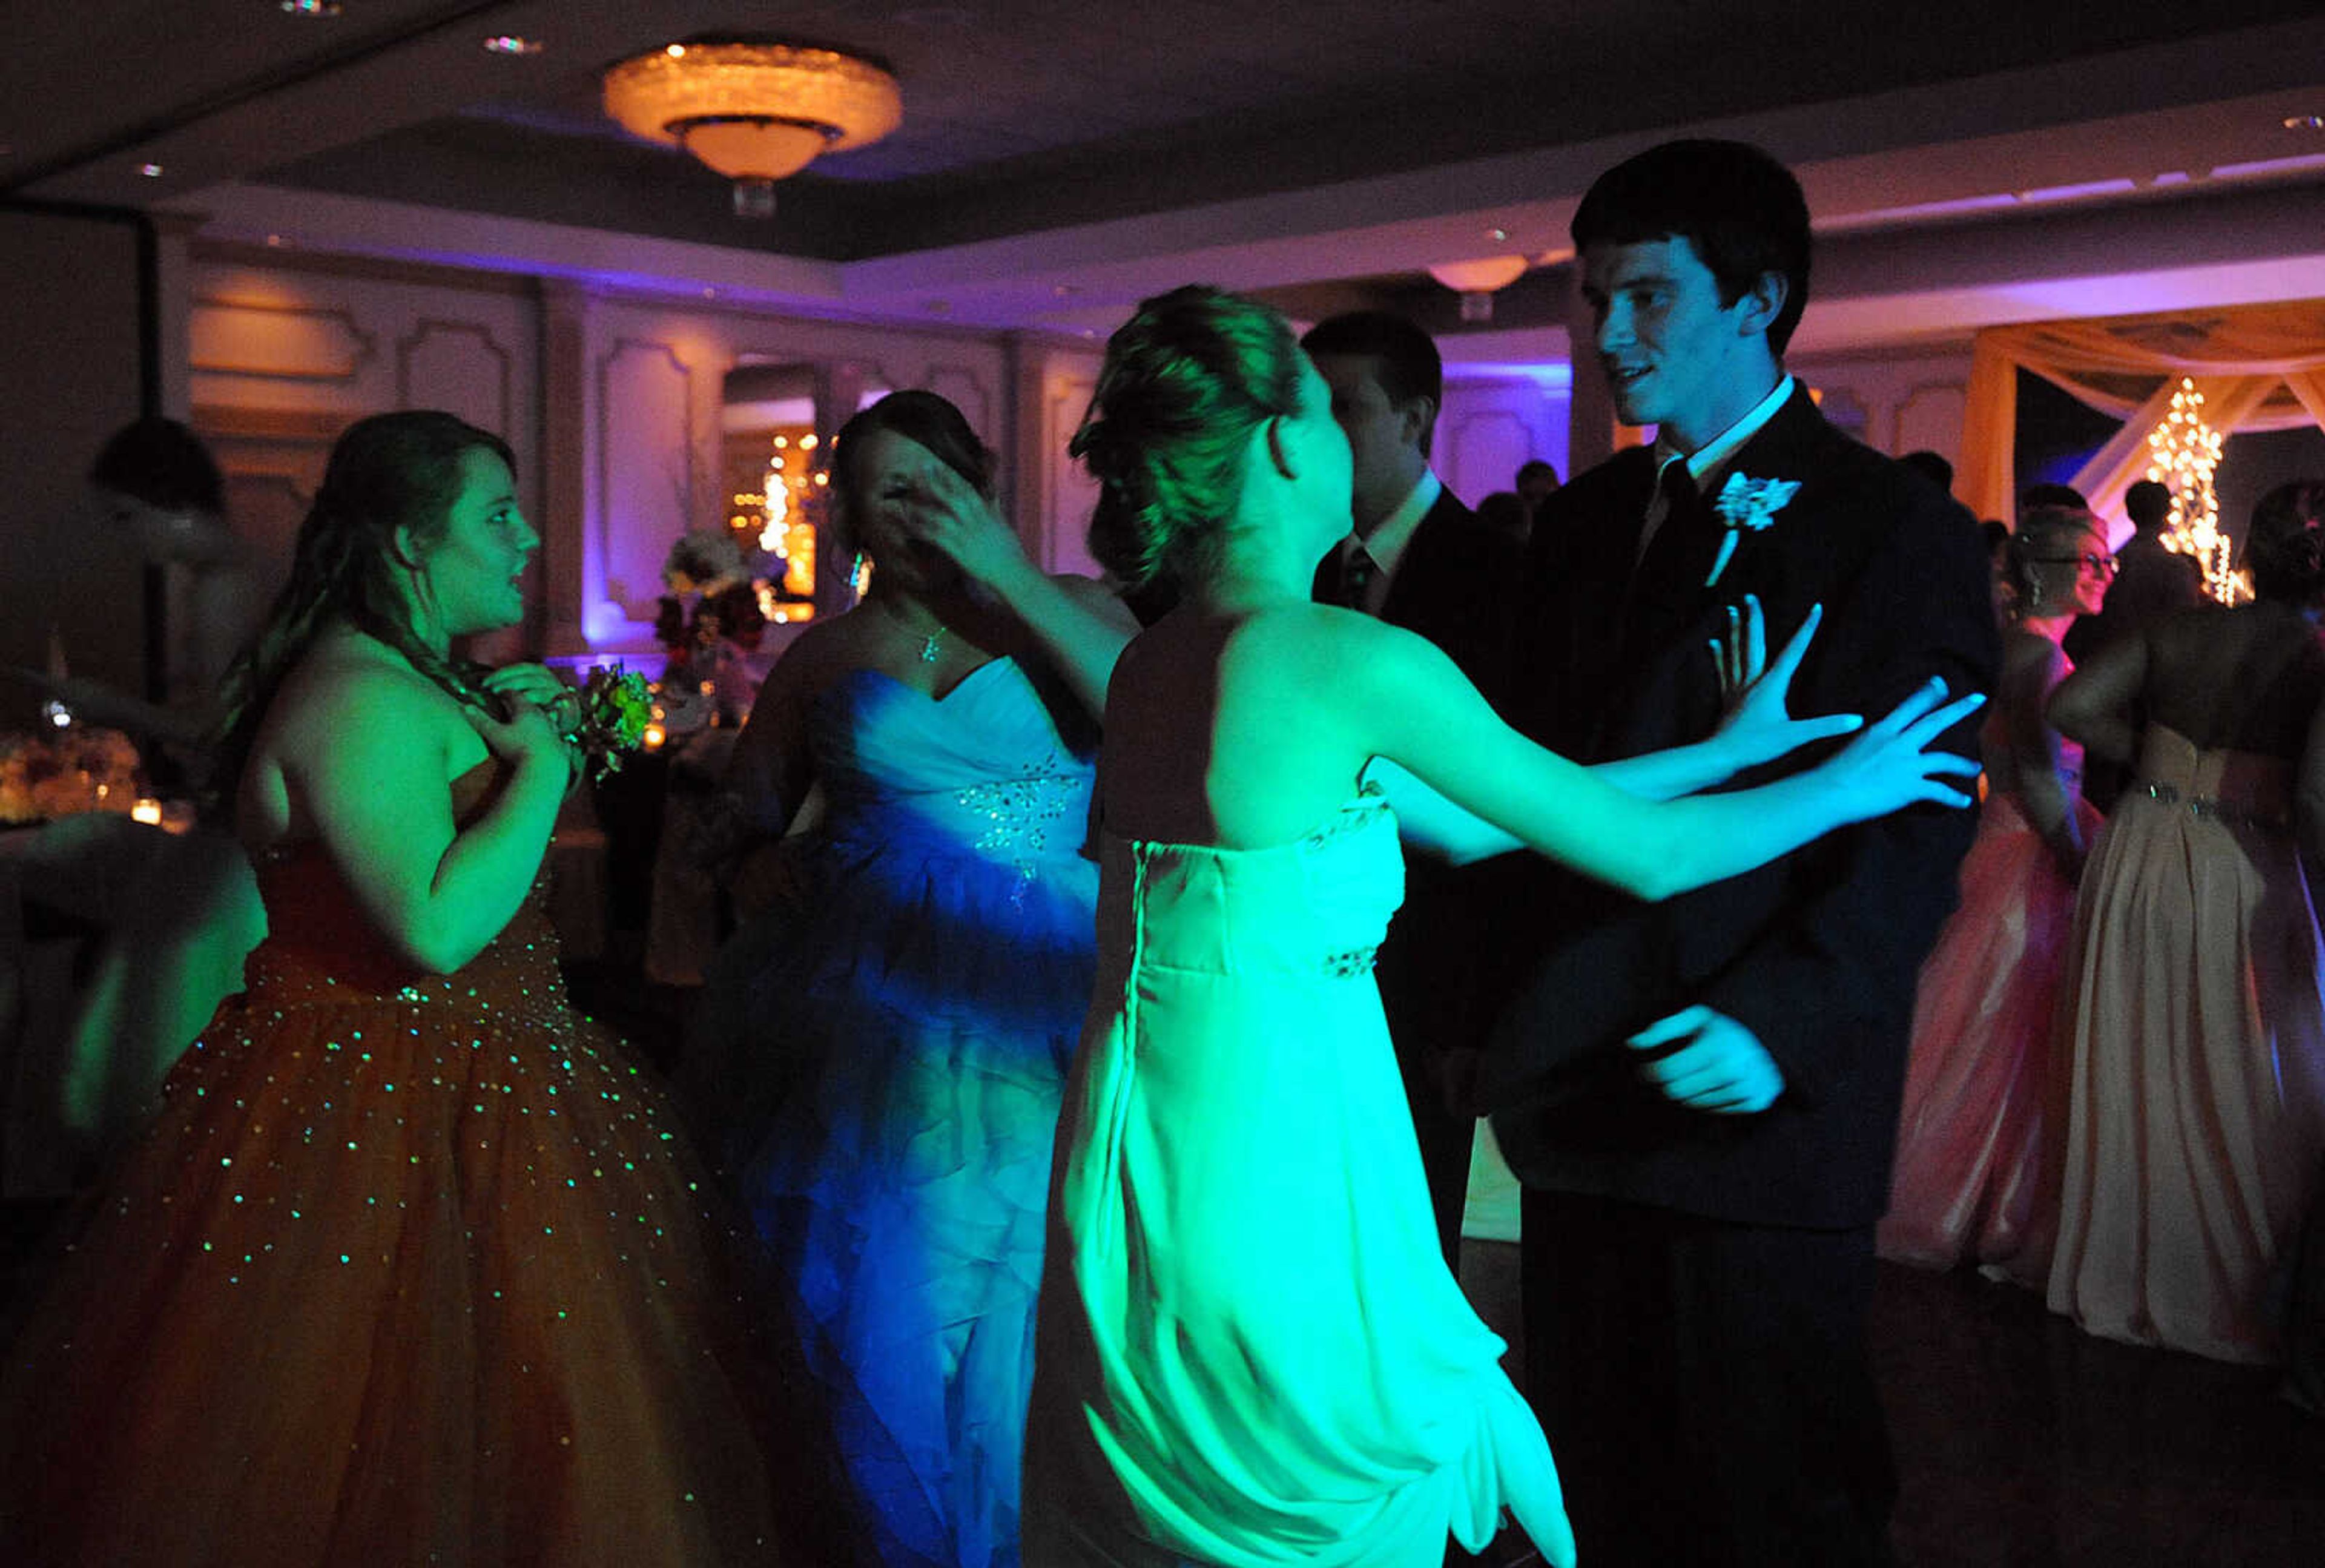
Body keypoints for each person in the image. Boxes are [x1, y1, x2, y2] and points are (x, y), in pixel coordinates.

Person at [1020, 283, 1982, 1568]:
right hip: (1288, 1133)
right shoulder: (1340, 655)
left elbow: (1474, 822)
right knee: (1323, 1476)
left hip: (1152, 1136)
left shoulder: (1162, 660)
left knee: (1192, 1464)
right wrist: (1844, 786)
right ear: (1286, 444)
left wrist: (1714, 751)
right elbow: (1642, 858)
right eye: (1325, 411)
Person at [0, 411, 796, 1565]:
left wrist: (543, 726)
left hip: (480, 1081)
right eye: (499, 514)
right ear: (410, 544)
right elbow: (432, 930)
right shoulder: (358, 696)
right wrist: (545, 766)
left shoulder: (406, 674)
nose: (527, 538)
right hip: (381, 1103)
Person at [1478, 139, 1999, 1566]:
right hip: (1578, 1075)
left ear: (1756, 298)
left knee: (1776, 1498)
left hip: (1756, 1103)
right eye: (1593, 300)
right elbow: (1528, 787)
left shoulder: (1886, 527)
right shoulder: (1577, 525)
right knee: (1597, 1485)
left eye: (1643, 295)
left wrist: (1782, 1018)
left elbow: (1915, 823)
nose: (1606, 334)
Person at [692, 389, 1134, 1568]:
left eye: (930, 478)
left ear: (978, 485)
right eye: (881, 485)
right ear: (846, 513)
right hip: (862, 990)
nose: (909, 505)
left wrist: (1012, 585)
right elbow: (741, 810)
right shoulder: (827, 653)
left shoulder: (1073, 613)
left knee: (1040, 1251)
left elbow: (1156, 726)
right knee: (893, 1264)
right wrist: (754, 858)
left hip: (1038, 977)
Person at [2044, 479, 2325, 1365]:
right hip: (2246, 857)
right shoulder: (2316, 655)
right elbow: (2316, 794)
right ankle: (2228, 1281)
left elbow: (2071, 707)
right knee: (2250, 1063)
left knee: (2137, 1052)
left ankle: (2123, 1263)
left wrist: (2162, 764)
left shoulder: (2184, 628)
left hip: (2144, 847)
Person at [1302, 308, 1523, 1265]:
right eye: (1305, 409)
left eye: (1344, 408)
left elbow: (1504, 806)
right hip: (1292, 964)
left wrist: (1477, 1013)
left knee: (1405, 1250)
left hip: (1434, 971)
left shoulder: (1501, 577)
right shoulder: (1291, 568)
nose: (1316, 434)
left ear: (1417, 418)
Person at [1879, 506, 2111, 1278]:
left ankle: (1977, 1199)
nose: (2103, 573)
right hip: (2028, 850)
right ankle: (1976, 1205)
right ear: (2045, 572)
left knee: (1984, 1032)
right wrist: (2078, 856)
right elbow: (2041, 776)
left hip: (2005, 838)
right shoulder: (2039, 660)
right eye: (2090, 559)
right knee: (2002, 1035)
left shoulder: (2017, 649)